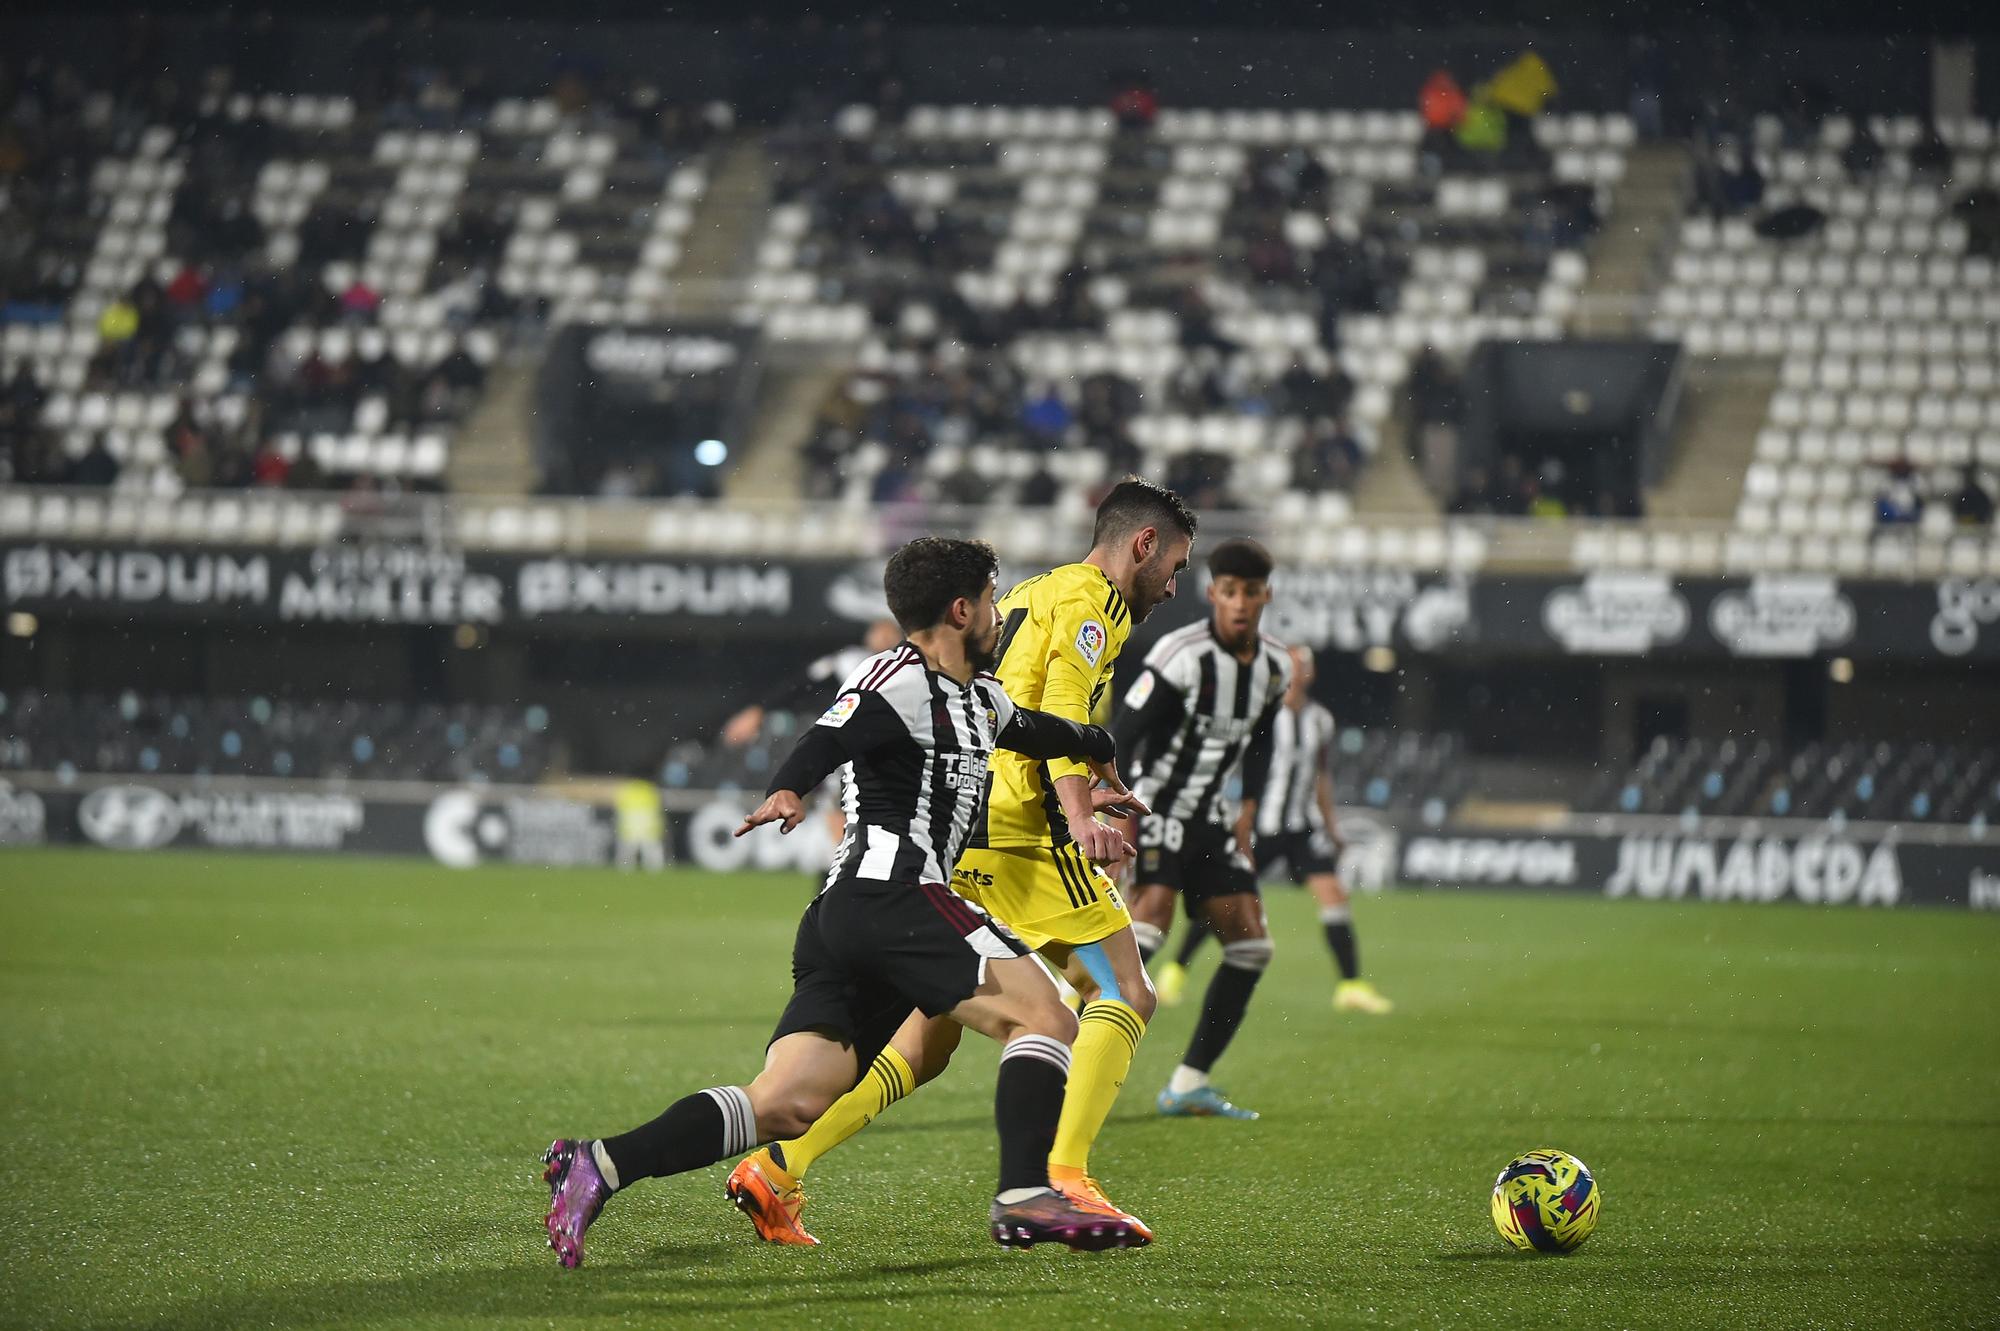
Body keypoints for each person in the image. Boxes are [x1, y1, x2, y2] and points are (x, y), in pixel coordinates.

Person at [540, 537, 1147, 1267]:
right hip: (896, 893)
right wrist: (790, 786)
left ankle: (599, 1164)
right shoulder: (897, 676)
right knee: (1046, 1013)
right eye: (991, 599)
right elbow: (829, 733)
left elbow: (1047, 730)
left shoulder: (979, 699)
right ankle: (1025, 1195)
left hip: (850, 917)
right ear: (962, 609)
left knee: (789, 1099)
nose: (999, 614)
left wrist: (1100, 748)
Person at [726, 479, 1197, 1245]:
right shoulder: (1094, 607)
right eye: (1174, 564)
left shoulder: (1042, 589)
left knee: (930, 1035)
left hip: (969, 823)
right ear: (1141, 544)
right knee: (1126, 988)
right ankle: (1062, 1178)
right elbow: (1068, 708)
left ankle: (779, 1165)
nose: (1175, 584)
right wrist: (1080, 814)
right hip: (1028, 829)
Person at [1114, 538, 1291, 1121]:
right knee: (1149, 930)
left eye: (1252, 593)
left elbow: (1261, 742)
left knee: (1251, 946)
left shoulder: (1274, 667)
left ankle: (1187, 1083)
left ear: (1266, 596)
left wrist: (1248, 814)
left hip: (1211, 821)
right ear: (1213, 593)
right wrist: (1119, 810)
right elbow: (1126, 734)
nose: (1241, 603)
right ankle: (1064, 1039)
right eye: (1231, 591)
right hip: (1158, 807)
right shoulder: (1180, 654)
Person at [1154, 645, 1392, 1015]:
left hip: (1302, 828)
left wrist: (1331, 828)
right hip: (1260, 827)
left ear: (1310, 673)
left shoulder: (1320, 721)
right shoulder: (1262, 714)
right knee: (1223, 902)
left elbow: (1321, 777)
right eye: (1294, 664)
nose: (1299, 671)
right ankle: (1174, 972)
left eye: (1305, 666)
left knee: (1334, 897)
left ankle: (1350, 986)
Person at [720, 619, 902, 747]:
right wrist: (761, 709)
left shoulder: (909, 668)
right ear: (868, 635)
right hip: (843, 733)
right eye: (879, 631)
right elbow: (800, 683)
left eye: (890, 633)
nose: (884, 638)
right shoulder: (849, 659)